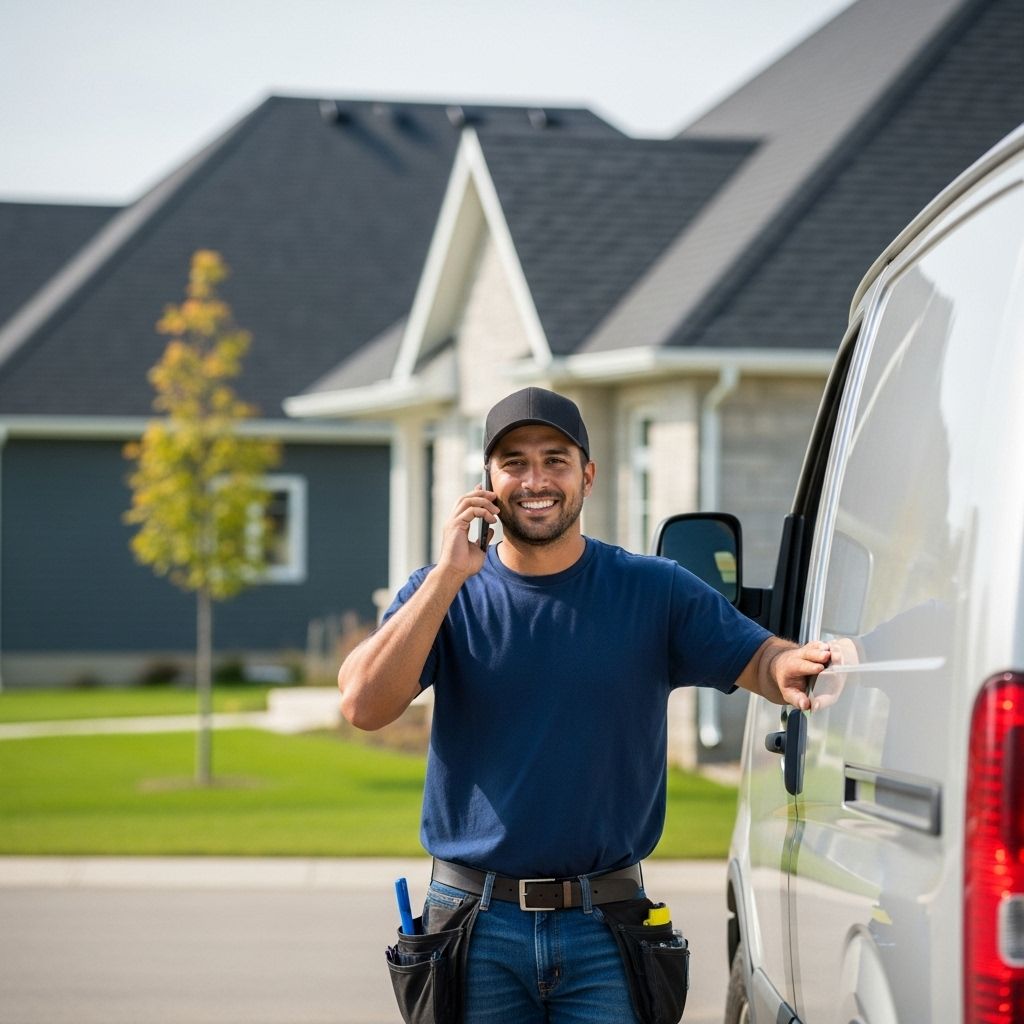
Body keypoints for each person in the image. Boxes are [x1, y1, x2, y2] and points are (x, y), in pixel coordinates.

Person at [340, 387, 830, 1024]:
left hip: (606, 929)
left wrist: (794, 665)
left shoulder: (654, 589)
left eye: (555, 459)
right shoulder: (443, 594)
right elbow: (362, 703)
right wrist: (446, 576)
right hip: (471, 925)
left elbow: (761, 660)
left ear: (587, 475)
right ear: (487, 481)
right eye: (513, 462)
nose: (534, 479)